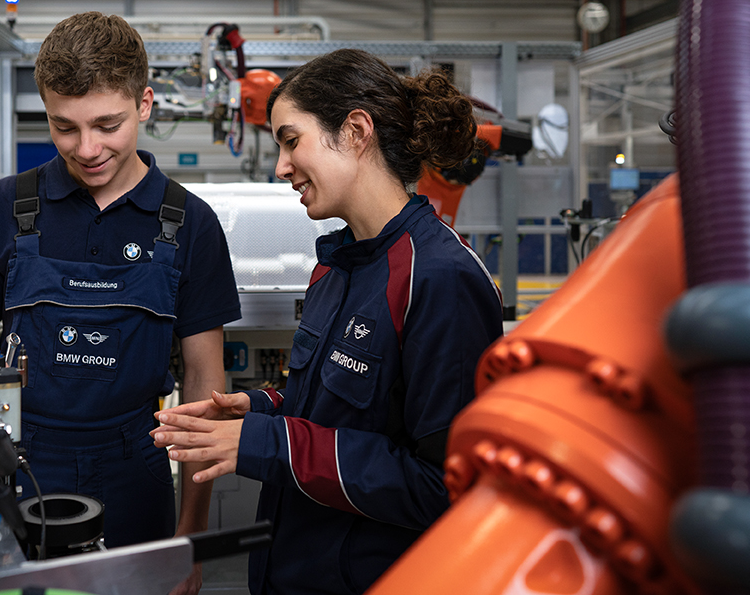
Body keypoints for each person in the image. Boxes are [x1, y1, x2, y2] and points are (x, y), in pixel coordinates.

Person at [150, 49, 503, 594]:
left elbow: (445, 487)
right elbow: (346, 413)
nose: (281, 166)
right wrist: (260, 408)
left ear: (356, 131)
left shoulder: (438, 279)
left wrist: (267, 443)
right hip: (291, 570)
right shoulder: (336, 265)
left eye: (291, 140)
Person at [0, 12, 240, 593]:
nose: (86, 149)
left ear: (145, 104)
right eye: (65, 127)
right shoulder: (9, 206)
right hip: (21, 463)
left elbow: (203, 379)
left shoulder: (189, 223)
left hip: (135, 464)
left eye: (106, 124)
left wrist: (189, 534)